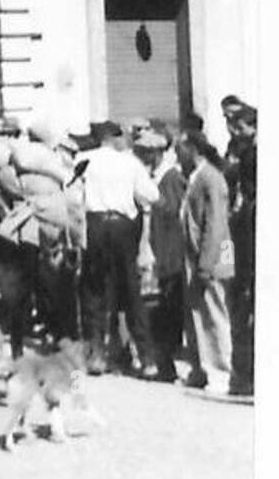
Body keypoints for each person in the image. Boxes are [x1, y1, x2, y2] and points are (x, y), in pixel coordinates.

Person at [76, 121, 158, 377]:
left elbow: (73, 192)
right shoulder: (130, 162)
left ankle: (98, 355)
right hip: (123, 226)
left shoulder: (84, 159)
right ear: (115, 137)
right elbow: (151, 195)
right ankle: (147, 359)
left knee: (94, 290)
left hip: (96, 224)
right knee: (131, 290)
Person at [177, 130, 234, 394]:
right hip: (196, 254)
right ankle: (201, 366)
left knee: (215, 312)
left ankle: (221, 371)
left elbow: (216, 224)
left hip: (211, 254)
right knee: (197, 313)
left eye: (182, 148)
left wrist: (207, 261)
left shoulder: (211, 178)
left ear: (194, 149)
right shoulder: (196, 177)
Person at [133, 128, 186, 383]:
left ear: (155, 153)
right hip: (157, 247)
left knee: (167, 307)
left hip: (169, 250)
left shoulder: (170, 177)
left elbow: (173, 213)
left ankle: (168, 361)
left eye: (144, 153)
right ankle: (163, 360)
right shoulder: (155, 176)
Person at [222, 101, 255, 397]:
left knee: (244, 304)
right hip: (240, 236)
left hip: (246, 235)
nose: (232, 127)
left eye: (237, 122)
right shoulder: (238, 151)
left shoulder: (250, 155)